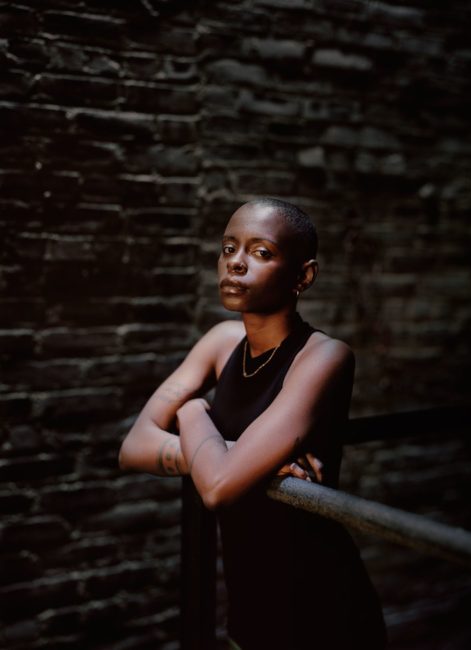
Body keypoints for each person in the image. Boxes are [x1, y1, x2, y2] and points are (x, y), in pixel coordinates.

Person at [119, 198, 386, 650]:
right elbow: (132, 447)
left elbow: (218, 486)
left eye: (261, 252)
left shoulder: (324, 356)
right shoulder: (221, 342)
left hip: (324, 608)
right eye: (229, 248)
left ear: (304, 276)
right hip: (250, 608)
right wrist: (233, 456)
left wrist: (191, 413)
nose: (236, 263)